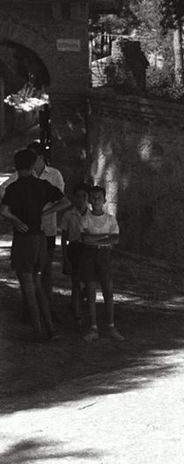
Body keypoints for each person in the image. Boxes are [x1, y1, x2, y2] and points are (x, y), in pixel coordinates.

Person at [0, 148, 70, 341]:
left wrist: (16, 220)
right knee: (39, 286)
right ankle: (50, 329)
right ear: (32, 165)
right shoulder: (43, 185)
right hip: (40, 238)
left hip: (23, 240)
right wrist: (46, 213)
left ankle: (37, 330)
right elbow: (65, 202)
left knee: (28, 288)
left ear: (16, 166)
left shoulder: (14, 188)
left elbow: (4, 211)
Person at [80, 184, 123, 341]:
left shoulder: (110, 219)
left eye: (99, 197)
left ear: (104, 200)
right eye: (93, 198)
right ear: (89, 200)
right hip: (90, 256)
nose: (96, 200)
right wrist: (105, 237)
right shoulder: (85, 219)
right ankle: (93, 328)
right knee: (91, 292)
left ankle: (111, 326)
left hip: (105, 256)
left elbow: (116, 238)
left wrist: (97, 238)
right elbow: (85, 239)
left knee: (108, 291)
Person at [26, 141, 65, 314]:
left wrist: (43, 212)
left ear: (40, 158)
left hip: (47, 229)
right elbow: (4, 189)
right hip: (29, 230)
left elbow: (61, 200)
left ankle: (46, 307)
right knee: (29, 270)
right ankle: (30, 308)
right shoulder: (25, 174)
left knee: (46, 270)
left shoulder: (54, 175)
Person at [61, 182, 90, 329]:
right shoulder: (68, 215)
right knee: (76, 281)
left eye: (84, 196)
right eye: (78, 196)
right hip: (74, 249)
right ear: (74, 198)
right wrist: (65, 258)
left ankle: (75, 303)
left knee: (89, 282)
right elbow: (64, 238)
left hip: (89, 250)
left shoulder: (93, 214)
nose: (81, 199)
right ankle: (77, 315)